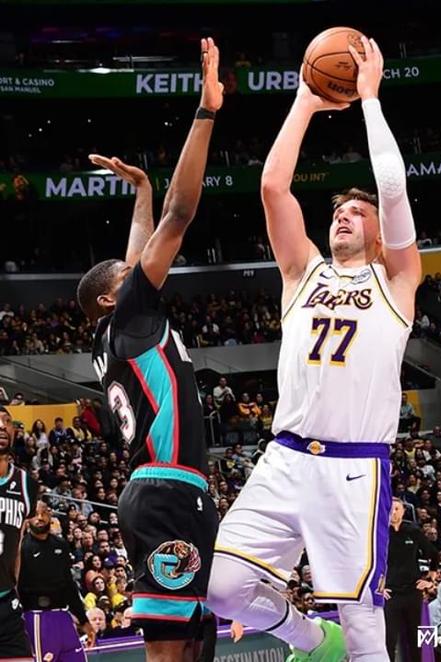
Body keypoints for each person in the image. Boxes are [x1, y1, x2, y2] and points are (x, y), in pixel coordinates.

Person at [207, 36, 421, 661]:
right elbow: (274, 188)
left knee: (363, 623)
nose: (345, 216)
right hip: (284, 457)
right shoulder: (303, 273)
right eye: (339, 211)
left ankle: (341, 641)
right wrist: (304, 100)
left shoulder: (397, 281)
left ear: (380, 235)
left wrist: (370, 99)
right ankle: (306, 637)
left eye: (358, 212)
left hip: (354, 467)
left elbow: (392, 188)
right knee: (221, 588)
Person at [75, 37, 223, 662]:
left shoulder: (115, 331)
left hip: (167, 489)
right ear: (115, 297)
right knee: (169, 654)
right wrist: (206, 111)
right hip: (165, 492)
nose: (136, 270)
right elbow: (180, 214)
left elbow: (137, 251)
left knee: (193, 643)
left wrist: (140, 190)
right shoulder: (130, 315)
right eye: (127, 275)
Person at [19, 500, 96, 660]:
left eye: (43, 513)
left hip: (63, 615)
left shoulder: (60, 544)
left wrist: (83, 620)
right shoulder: (22, 547)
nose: (39, 518)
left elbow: (69, 584)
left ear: (50, 515)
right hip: (37, 616)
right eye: (35, 514)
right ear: (28, 518)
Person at [0, 405, 39, 661]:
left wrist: (14, 586)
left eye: (7, 421)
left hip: (6, 601)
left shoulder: (26, 484)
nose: (2, 426)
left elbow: (18, 543)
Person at [384, 498, 439, 662]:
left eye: (397, 509)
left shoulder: (412, 531)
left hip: (412, 591)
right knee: (389, 639)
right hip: (391, 593)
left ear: (403, 511)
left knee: (415, 638)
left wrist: (430, 580)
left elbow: (433, 554)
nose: (394, 512)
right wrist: (378, 586)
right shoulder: (380, 533)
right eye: (391, 509)